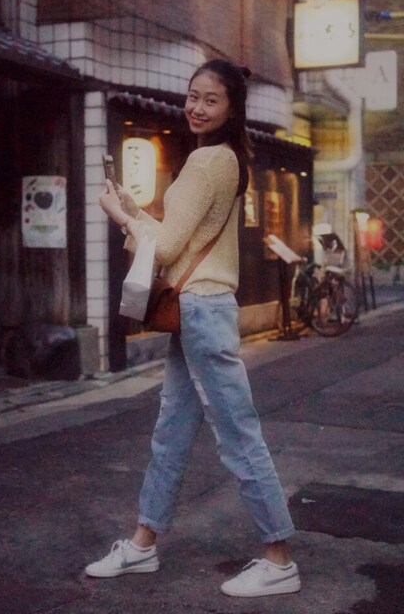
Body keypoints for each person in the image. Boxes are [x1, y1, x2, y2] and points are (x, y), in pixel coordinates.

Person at [87, 59, 301, 598]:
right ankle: (143, 544)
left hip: (202, 310)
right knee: (172, 431)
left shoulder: (207, 161)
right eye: (192, 96)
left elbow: (166, 249)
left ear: (231, 108)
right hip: (198, 308)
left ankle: (279, 559)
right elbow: (180, 236)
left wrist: (119, 216)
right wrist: (135, 210)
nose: (196, 107)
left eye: (210, 99)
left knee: (238, 436)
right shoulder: (225, 159)